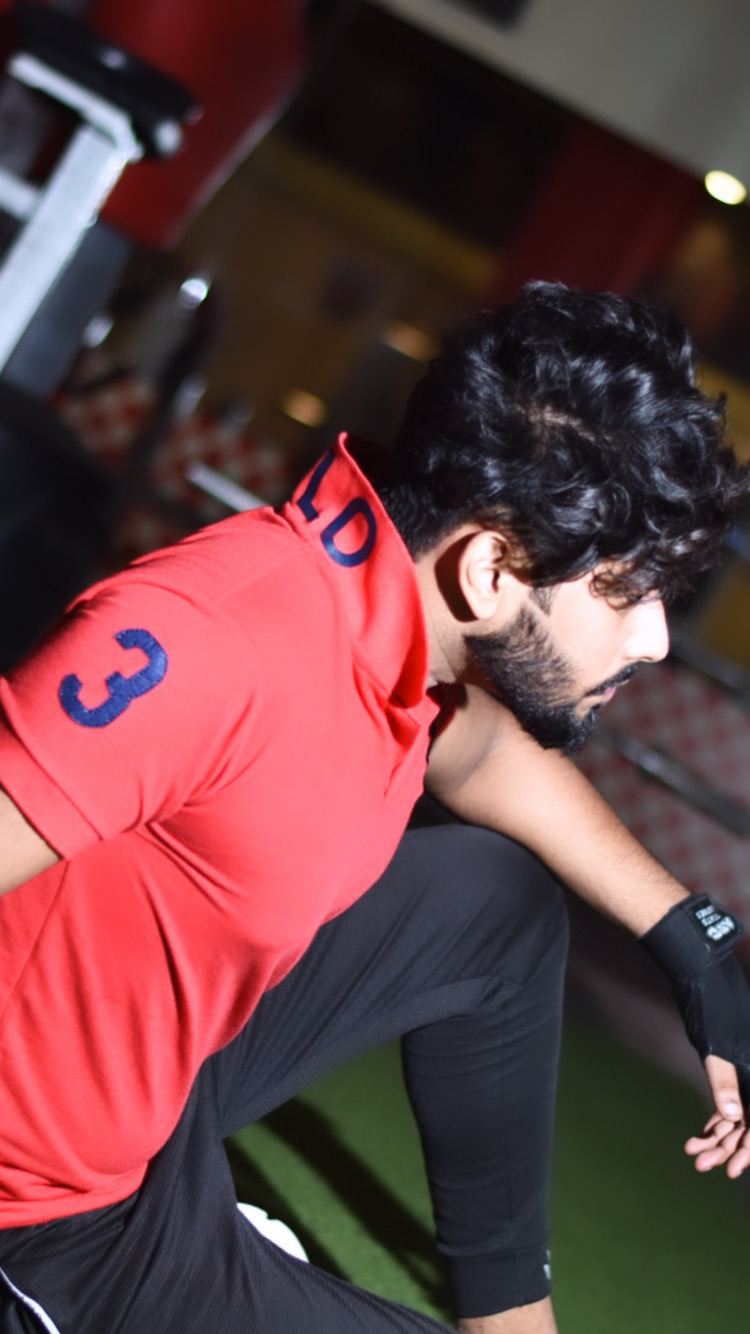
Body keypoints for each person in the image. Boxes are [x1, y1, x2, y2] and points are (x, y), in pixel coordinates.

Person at [0, 281, 748, 1334]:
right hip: (52, 1219)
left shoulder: (381, 606)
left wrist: (695, 944)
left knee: (496, 898)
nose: (656, 638)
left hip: (150, 1081)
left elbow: (485, 752)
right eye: (627, 590)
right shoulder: (207, 642)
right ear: (491, 570)